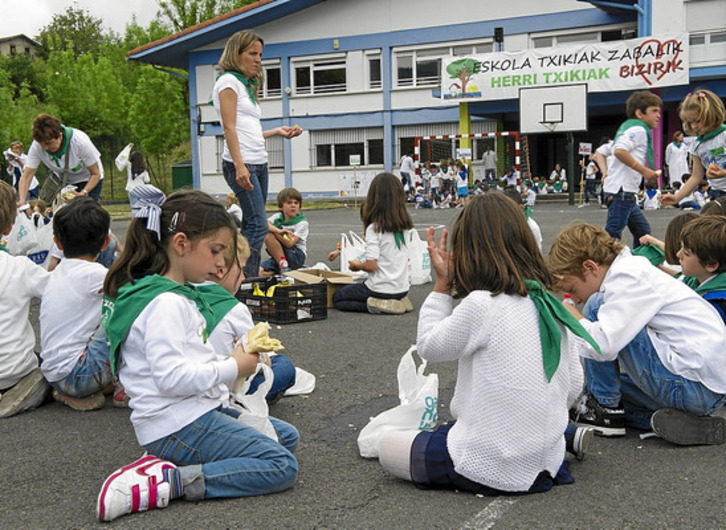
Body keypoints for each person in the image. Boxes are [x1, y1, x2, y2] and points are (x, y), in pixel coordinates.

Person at [97, 185, 298, 522]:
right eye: (216, 250)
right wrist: (233, 366)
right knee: (281, 465)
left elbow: (187, 361)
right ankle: (171, 481)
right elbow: (171, 378)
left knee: (285, 437)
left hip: (192, 411)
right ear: (181, 244)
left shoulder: (170, 294)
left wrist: (230, 361)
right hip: (178, 424)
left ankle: (180, 461)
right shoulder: (166, 303)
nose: (221, 263)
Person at [377, 193, 597, 494]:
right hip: (546, 460)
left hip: (489, 463)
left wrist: (442, 285)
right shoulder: (551, 306)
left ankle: (552, 438)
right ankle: (563, 437)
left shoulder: (482, 304)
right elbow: (572, 386)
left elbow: (428, 346)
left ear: (470, 253)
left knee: (387, 446)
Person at [548, 223, 726, 445]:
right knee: (591, 391)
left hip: (692, 386)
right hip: (705, 389)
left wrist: (572, 316)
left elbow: (602, 346)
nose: (575, 299)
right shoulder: (632, 268)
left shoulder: (628, 278)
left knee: (596, 306)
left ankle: (604, 409)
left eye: (572, 289)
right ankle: (681, 421)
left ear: (591, 267)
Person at [212, 30, 302, 279]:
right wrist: (240, 166)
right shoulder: (228, 82)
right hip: (243, 164)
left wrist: (277, 131)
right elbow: (229, 128)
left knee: (255, 225)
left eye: (260, 54)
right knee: (258, 226)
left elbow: (248, 132)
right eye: (252, 54)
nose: (258, 60)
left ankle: (241, 277)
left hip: (259, 162)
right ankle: (241, 280)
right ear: (236, 54)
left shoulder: (245, 86)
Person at [39, 197, 120, 411]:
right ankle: (124, 383)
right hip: (77, 375)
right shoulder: (94, 274)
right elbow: (134, 292)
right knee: (125, 309)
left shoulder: (58, 272)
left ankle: (97, 387)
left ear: (57, 243)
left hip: (54, 373)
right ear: (105, 242)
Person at [198, 232, 296, 402]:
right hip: (224, 390)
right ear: (220, 271)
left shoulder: (178, 295)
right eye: (241, 269)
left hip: (186, 385)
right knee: (283, 366)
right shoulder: (234, 309)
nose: (243, 277)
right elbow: (262, 362)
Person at [0, 181, 50, 418]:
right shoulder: (20, 267)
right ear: (10, 228)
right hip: (13, 370)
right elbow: (58, 292)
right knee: (47, 363)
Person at [332, 172, 414, 315]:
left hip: (380, 289)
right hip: (402, 288)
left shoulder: (375, 228)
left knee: (338, 298)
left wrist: (357, 265)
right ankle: (399, 300)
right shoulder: (404, 228)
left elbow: (371, 266)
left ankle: (379, 304)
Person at [602, 91, 662, 247]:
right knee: (612, 235)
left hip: (625, 192)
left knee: (643, 231)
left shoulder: (625, 130)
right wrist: (644, 171)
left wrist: (605, 172)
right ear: (639, 113)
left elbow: (600, 152)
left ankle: (637, 259)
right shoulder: (638, 130)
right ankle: (601, 260)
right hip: (622, 192)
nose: (658, 115)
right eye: (654, 111)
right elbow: (619, 151)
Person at [17, 114, 104, 205]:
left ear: (60, 136)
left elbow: (95, 174)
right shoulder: (37, 146)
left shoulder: (80, 142)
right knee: (61, 211)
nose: (45, 148)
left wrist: (83, 193)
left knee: (85, 210)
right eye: (42, 144)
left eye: (49, 143)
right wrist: (22, 200)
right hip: (64, 180)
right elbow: (27, 176)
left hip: (89, 178)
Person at [662, 89, 726, 206]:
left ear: (710, 115)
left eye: (697, 121)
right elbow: (696, 176)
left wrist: (724, 173)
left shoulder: (724, 135)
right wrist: (676, 197)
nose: (693, 126)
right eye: (690, 122)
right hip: (716, 193)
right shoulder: (697, 144)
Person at [676, 215, 726, 322]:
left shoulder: (718, 304)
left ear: (711, 265)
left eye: (686, 253)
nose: (678, 254)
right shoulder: (693, 280)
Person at [260, 187, 308, 276]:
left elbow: (290, 243)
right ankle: (280, 272)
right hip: (279, 255)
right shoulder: (278, 217)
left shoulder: (302, 223)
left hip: (295, 256)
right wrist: (279, 231)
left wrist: (275, 232)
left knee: (269, 233)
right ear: (280, 207)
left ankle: (283, 267)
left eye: (296, 203)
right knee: (259, 272)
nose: (293, 205)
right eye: (289, 203)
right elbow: (264, 224)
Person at [115, 143, 150, 209]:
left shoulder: (129, 165)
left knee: (134, 206)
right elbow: (147, 180)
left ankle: (135, 215)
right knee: (142, 207)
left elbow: (123, 158)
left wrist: (128, 148)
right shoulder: (144, 169)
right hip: (141, 190)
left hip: (131, 188)